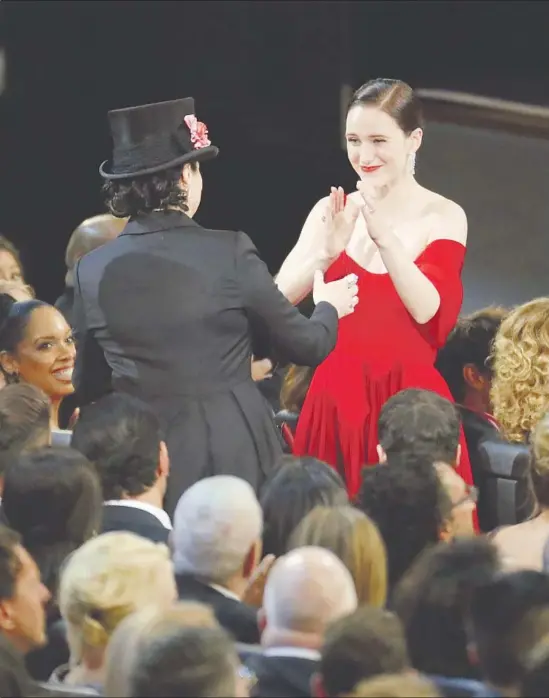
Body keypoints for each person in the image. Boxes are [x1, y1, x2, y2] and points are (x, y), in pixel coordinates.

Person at [72, 96, 358, 516]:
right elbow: (308, 344)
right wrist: (329, 305)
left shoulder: (91, 270)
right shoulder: (228, 250)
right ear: (185, 176)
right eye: (197, 166)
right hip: (233, 446)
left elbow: (90, 382)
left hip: (145, 456)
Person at [276, 78, 471, 497]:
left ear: (413, 139)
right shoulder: (332, 210)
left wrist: (385, 238)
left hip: (407, 412)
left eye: (379, 140)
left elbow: (431, 314)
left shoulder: (443, 215)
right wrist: (324, 255)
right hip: (333, 402)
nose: (364, 156)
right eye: (354, 140)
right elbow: (276, 302)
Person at [0, 299, 76, 429]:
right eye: (46, 345)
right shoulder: (12, 442)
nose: (68, 354)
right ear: (9, 361)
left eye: (68, 340)